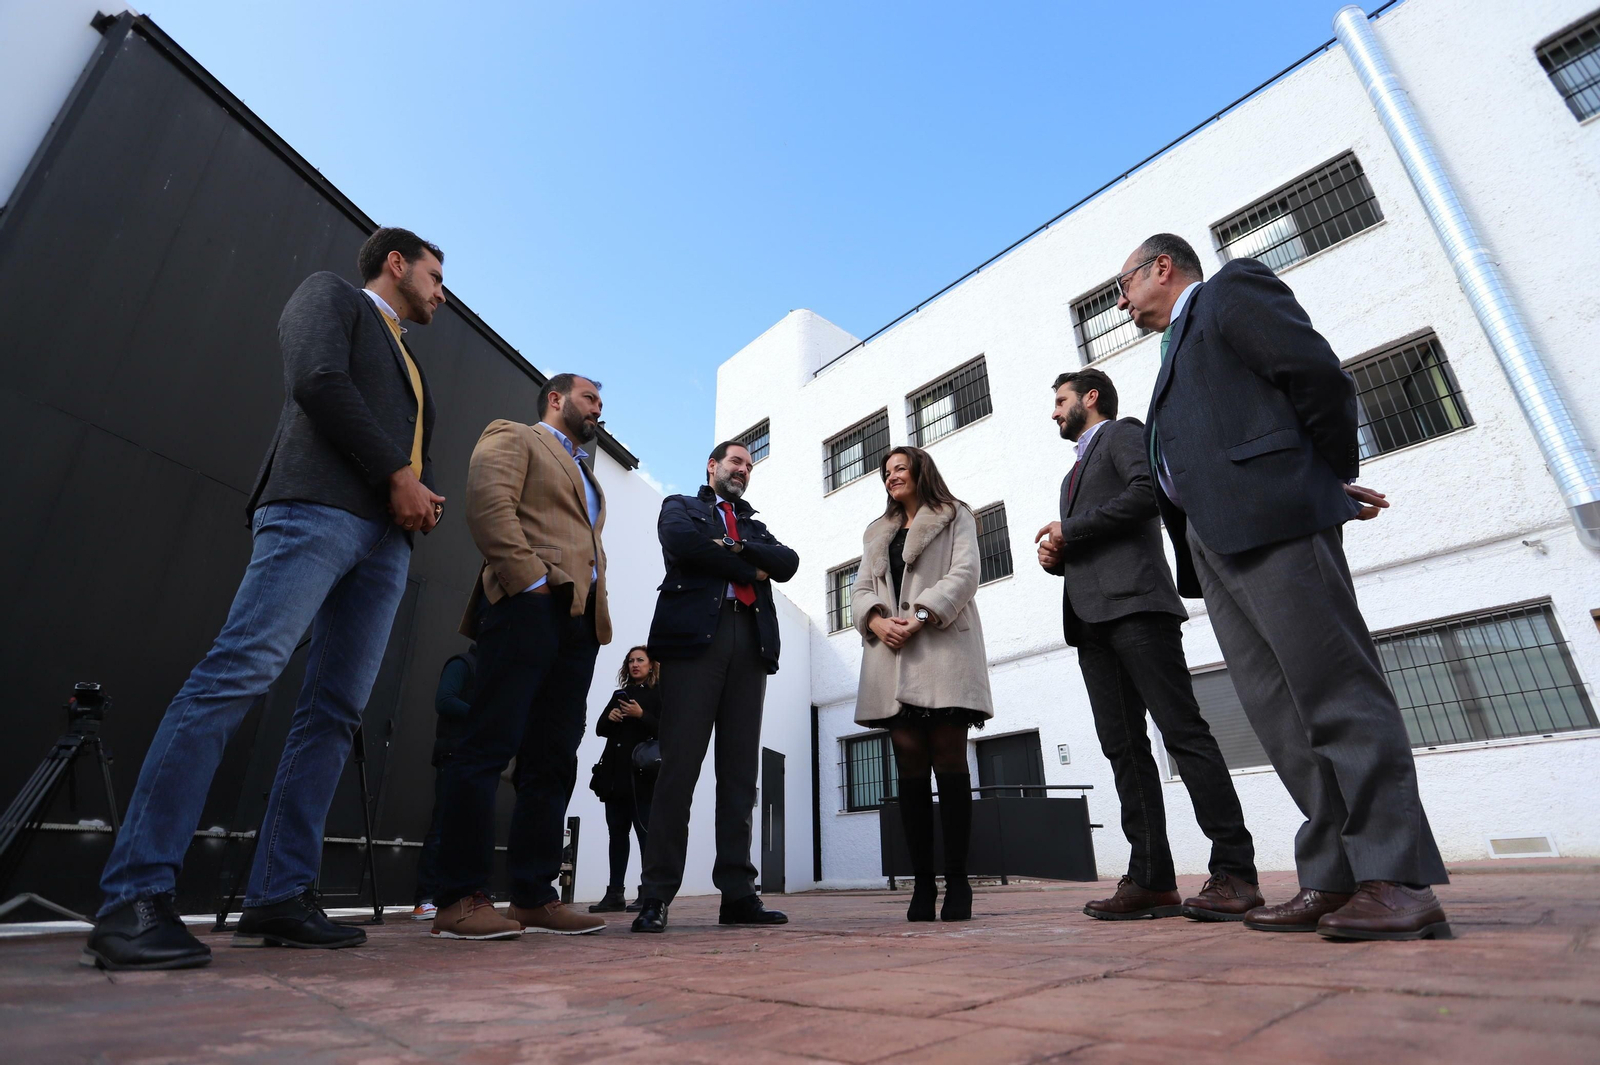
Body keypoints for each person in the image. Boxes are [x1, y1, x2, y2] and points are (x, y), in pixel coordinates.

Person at [84, 228, 448, 970]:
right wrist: (396, 474)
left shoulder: (410, 360)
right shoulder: (330, 295)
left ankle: (279, 896)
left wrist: (419, 492)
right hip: (316, 509)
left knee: (335, 712)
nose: (442, 292)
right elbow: (317, 380)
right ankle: (134, 898)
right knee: (236, 675)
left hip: (386, 542)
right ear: (397, 263)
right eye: (436, 276)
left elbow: (404, 438)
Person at [1120, 232, 1450, 941]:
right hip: (1212, 542)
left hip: (1273, 517)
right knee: (1280, 716)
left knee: (1337, 693)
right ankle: (1334, 875)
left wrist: (1322, 477)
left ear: (1162, 267)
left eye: (1124, 286)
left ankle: (1397, 877)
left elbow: (1317, 376)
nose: (1121, 304)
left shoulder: (1231, 291)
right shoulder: (1174, 349)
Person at [1035, 369, 1260, 923]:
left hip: (1138, 607)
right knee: (1124, 750)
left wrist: (1071, 530)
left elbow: (1148, 494)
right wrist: (1058, 557)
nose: (1054, 411)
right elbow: (1093, 535)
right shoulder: (1070, 475)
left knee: (1183, 734)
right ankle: (1151, 879)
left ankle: (1236, 871)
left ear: (1090, 398)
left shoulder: (1123, 433)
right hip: (1090, 621)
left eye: (1061, 400)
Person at [430, 374, 612, 941]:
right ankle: (459, 897)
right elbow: (490, 507)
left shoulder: (588, 474)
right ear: (556, 400)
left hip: (578, 622)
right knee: (488, 745)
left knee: (553, 759)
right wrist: (529, 581)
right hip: (526, 605)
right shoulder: (513, 435)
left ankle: (534, 896)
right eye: (590, 399)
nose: (598, 410)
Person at [631, 441, 799, 933]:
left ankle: (738, 894)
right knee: (678, 769)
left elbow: (787, 562)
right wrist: (749, 567)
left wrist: (736, 546)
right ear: (712, 466)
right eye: (735, 462)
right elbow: (684, 544)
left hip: (750, 643)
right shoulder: (681, 506)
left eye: (749, 465)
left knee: (740, 774)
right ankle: (656, 894)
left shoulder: (752, 524)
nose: (743, 470)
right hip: (693, 644)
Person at [851, 447, 992, 923]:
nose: (891, 476)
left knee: (949, 761)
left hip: (942, 650)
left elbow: (966, 573)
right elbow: (861, 589)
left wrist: (921, 615)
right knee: (909, 768)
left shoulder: (955, 515)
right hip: (890, 659)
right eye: (885, 472)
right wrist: (875, 621)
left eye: (899, 468)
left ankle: (958, 882)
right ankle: (923, 884)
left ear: (920, 471)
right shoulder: (877, 531)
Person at [588, 646, 662, 913]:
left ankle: (649, 892)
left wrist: (641, 715)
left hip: (643, 778)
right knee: (617, 835)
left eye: (640, 660)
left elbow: (668, 730)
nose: (635, 664)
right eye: (631, 661)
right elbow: (600, 729)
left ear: (651, 665)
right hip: (615, 777)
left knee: (645, 835)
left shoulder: (659, 694)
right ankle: (615, 893)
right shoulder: (621, 695)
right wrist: (611, 717)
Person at [412, 645, 478, 921]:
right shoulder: (462, 663)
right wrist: (483, 715)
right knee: (442, 827)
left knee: (469, 831)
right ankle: (425, 899)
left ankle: (457, 896)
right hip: (453, 755)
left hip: (476, 758)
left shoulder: (494, 671)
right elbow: (445, 700)